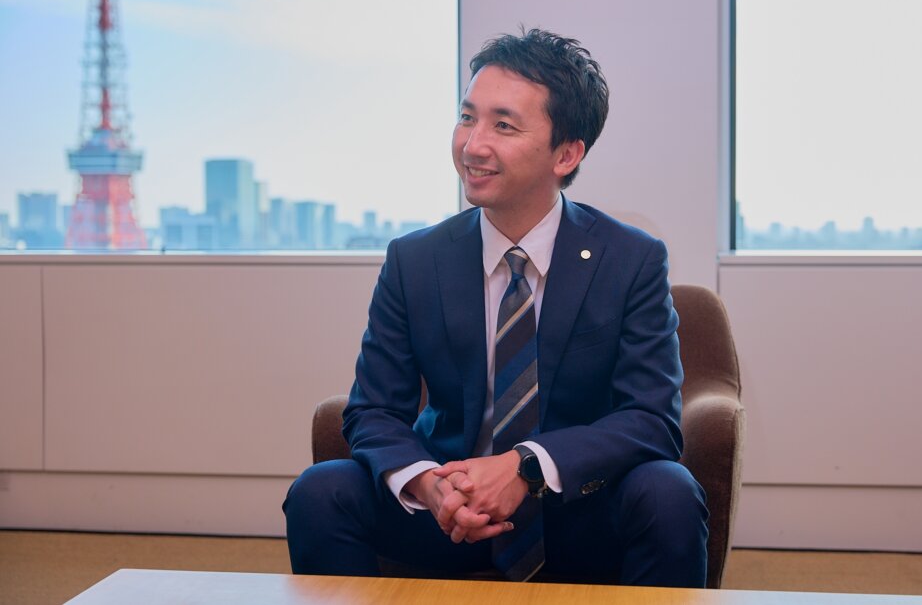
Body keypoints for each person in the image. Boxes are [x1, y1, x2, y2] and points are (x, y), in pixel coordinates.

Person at [283, 29, 708, 587]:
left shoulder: (630, 259)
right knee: (320, 491)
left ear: (566, 153)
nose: (472, 145)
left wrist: (525, 466)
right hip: (449, 513)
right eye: (467, 118)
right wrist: (429, 484)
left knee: (670, 493)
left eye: (503, 126)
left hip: (577, 513)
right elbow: (374, 410)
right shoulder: (416, 260)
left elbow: (652, 419)